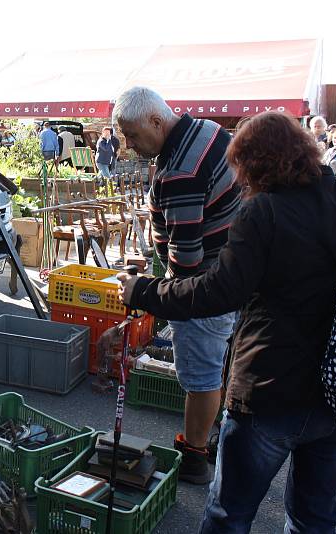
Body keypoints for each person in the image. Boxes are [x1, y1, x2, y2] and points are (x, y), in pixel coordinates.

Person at [116, 111, 336, 533]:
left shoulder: (264, 212)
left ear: (256, 165)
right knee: (314, 517)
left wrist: (143, 292)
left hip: (273, 391)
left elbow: (216, 291)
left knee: (230, 513)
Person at [113, 86, 240, 484]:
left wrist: (152, 294)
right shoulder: (206, 129)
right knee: (222, 364)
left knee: (201, 376)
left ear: (156, 120)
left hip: (207, 286)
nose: (129, 147)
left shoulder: (180, 172)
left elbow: (185, 261)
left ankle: (195, 455)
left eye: (133, 135)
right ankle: (217, 436)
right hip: (235, 267)